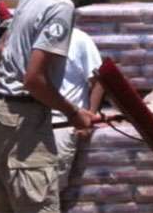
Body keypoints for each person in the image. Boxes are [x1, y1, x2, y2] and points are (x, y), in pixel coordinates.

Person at [0, 0, 118, 213]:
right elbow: (34, 80)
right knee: (38, 203)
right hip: (24, 117)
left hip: (0, 110)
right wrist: (74, 112)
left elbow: (1, 48)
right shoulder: (62, 6)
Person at [53, 28, 105, 191]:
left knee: (53, 186)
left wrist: (90, 116)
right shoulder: (31, 36)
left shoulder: (79, 39)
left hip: (63, 123)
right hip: (32, 120)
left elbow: (98, 80)